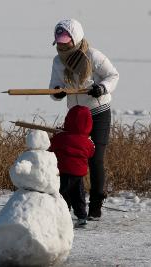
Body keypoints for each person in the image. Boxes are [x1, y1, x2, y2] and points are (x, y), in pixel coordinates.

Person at [49, 18, 119, 220]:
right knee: (70, 158)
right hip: (75, 116)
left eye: (65, 41)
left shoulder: (93, 56)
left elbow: (113, 75)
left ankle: (95, 205)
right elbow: (54, 86)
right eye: (59, 41)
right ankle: (70, 202)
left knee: (95, 159)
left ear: (76, 38)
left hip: (98, 112)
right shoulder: (57, 61)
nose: (62, 45)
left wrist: (101, 88)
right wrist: (58, 92)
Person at [49, 105, 95, 228]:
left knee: (63, 194)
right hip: (79, 174)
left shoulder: (61, 137)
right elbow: (91, 152)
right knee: (79, 196)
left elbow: (51, 148)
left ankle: (62, 215)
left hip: (64, 172)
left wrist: (57, 134)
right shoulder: (87, 142)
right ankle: (82, 217)